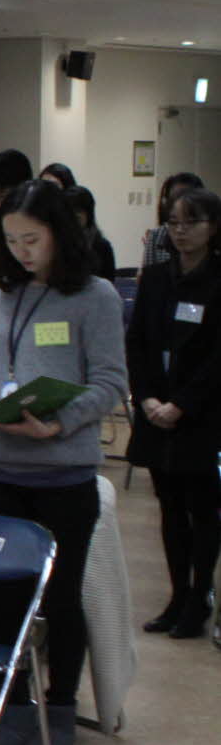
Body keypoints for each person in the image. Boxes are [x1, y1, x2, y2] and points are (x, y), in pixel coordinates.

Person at [0, 180, 127, 745]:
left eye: (33, 239)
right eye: (12, 239)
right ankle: (12, 713)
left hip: (63, 476)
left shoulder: (94, 297)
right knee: (0, 600)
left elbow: (110, 382)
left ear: (60, 235)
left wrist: (59, 423)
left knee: (61, 600)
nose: (22, 251)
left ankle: (60, 710)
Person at [127, 186, 221, 639]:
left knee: (201, 509)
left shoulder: (218, 277)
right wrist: (146, 398)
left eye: (191, 222)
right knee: (168, 506)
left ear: (213, 227)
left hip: (199, 414)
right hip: (155, 409)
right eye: (174, 222)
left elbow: (216, 358)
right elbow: (139, 343)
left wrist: (182, 404)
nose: (181, 231)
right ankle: (176, 593)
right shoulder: (159, 277)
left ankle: (200, 596)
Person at [142, 172, 206, 269]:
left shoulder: (206, 232)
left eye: (187, 198)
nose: (181, 204)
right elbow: (150, 278)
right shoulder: (156, 236)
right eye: (175, 198)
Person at [62, 185, 117, 279]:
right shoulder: (57, 244)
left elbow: (108, 282)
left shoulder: (102, 246)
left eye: (79, 211)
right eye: (70, 211)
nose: (75, 216)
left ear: (89, 213)